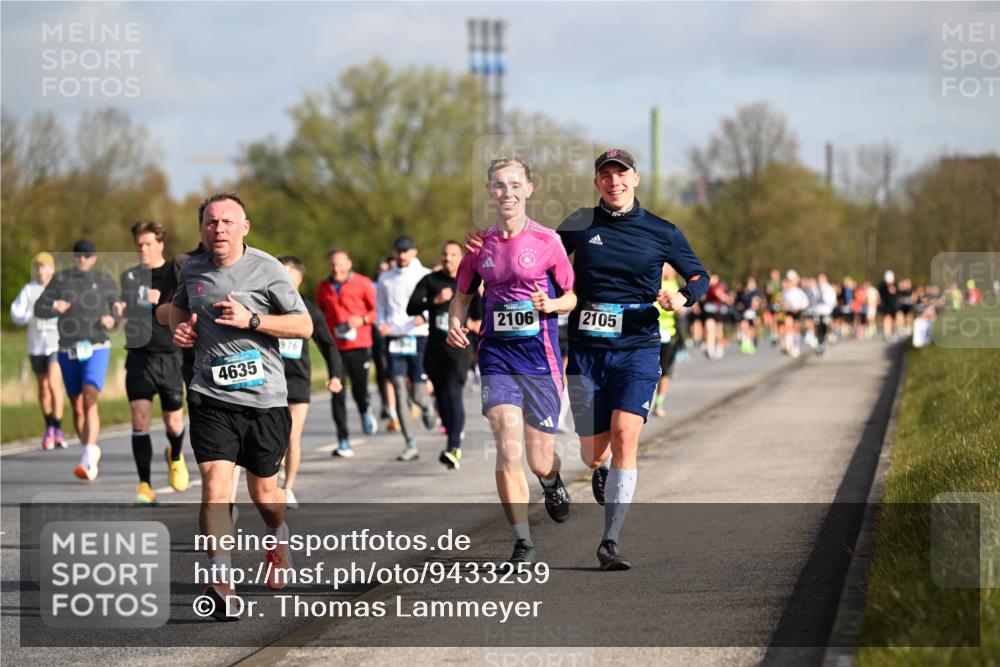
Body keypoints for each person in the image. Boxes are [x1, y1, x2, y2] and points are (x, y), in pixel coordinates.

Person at [549, 148, 708, 570]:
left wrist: (682, 296)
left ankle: (610, 541)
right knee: (592, 455)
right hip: (586, 350)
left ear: (635, 179)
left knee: (625, 433)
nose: (614, 182)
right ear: (597, 181)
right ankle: (602, 471)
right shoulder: (579, 224)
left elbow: (699, 275)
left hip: (638, 346)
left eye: (621, 174)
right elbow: (539, 258)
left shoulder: (662, 231)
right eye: (606, 175)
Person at [168, 193, 312, 619]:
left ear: (244, 227)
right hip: (210, 396)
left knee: (265, 493)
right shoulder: (191, 269)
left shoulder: (268, 269)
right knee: (215, 487)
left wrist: (253, 320)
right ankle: (222, 582)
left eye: (228, 222)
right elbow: (177, 309)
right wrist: (182, 331)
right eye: (211, 222)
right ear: (202, 229)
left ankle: (277, 533)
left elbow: (302, 325)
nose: (220, 229)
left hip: (265, 400)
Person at [449, 156, 577, 565]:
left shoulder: (547, 242)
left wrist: (553, 303)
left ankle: (552, 479)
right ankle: (522, 541)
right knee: (506, 442)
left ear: (529, 189)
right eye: (499, 185)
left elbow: (573, 296)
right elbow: (463, 296)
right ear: (489, 191)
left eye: (515, 184)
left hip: (540, 357)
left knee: (539, 458)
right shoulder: (478, 246)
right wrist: (455, 324)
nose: (507, 192)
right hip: (496, 355)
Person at [34, 240, 122, 480]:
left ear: (93, 258)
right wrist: (54, 305)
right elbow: (39, 307)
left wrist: (113, 320)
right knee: (76, 403)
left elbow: (117, 308)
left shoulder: (104, 280)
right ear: (74, 258)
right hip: (68, 349)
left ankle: (87, 457)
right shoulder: (61, 280)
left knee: (90, 395)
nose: (82, 259)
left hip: (97, 347)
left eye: (87, 256)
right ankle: (89, 451)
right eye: (79, 255)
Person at [120, 222, 190, 504]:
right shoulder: (130, 275)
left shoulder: (174, 271)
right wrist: (141, 300)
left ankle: (175, 454)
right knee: (140, 420)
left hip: (168, 354)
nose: (143, 250)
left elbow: (177, 303)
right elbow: (125, 301)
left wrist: (155, 302)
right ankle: (144, 486)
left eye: (148, 244)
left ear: (160, 244)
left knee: (173, 423)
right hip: (138, 356)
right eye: (139, 245)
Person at [407, 241, 482, 470]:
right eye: (445, 254)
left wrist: (472, 323)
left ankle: (453, 446)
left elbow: (480, 314)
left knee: (453, 392)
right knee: (441, 396)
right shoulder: (431, 281)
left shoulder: (469, 281)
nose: (448, 258)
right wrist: (435, 301)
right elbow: (411, 308)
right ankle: (452, 438)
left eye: (453, 254)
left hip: (459, 349)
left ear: (461, 258)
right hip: (435, 347)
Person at [276, 256, 344, 504]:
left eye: (286, 274)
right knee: (272, 438)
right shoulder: (263, 307)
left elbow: (328, 345)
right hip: (268, 383)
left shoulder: (309, 311)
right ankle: (273, 473)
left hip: (297, 381)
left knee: (292, 437)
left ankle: (287, 487)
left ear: (298, 279)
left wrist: (335, 375)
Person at [376, 236, 435, 462]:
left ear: (414, 252)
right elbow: (380, 307)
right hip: (394, 337)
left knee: (418, 392)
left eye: (406, 251)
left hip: (418, 336)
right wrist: (380, 323)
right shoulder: (385, 278)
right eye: (398, 251)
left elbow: (433, 304)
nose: (402, 255)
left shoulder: (425, 275)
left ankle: (427, 406)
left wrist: (425, 316)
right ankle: (410, 443)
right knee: (399, 388)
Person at [315, 249, 378, 458]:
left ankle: (364, 409)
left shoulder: (363, 283)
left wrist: (361, 320)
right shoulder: (323, 288)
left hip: (359, 345)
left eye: (340, 264)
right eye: (333, 264)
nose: (336, 268)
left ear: (349, 264)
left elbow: (376, 311)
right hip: (335, 349)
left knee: (360, 390)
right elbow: (320, 315)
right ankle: (343, 440)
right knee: (337, 393)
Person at [10, 252, 65, 450]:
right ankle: (49, 426)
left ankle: (58, 427)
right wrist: (31, 314)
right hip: (36, 344)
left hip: (56, 343)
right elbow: (15, 313)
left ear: (52, 269)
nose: (41, 270)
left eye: (45, 266)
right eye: (38, 267)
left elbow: (72, 310)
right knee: (43, 387)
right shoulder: (29, 290)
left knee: (53, 382)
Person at [652, 263, 681, 416]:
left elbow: (680, 309)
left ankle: (659, 403)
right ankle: (647, 402)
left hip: (668, 333)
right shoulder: (652, 282)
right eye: (664, 267)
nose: (667, 270)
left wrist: (676, 305)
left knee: (664, 371)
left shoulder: (674, 285)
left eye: (670, 267)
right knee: (649, 370)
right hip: (651, 333)